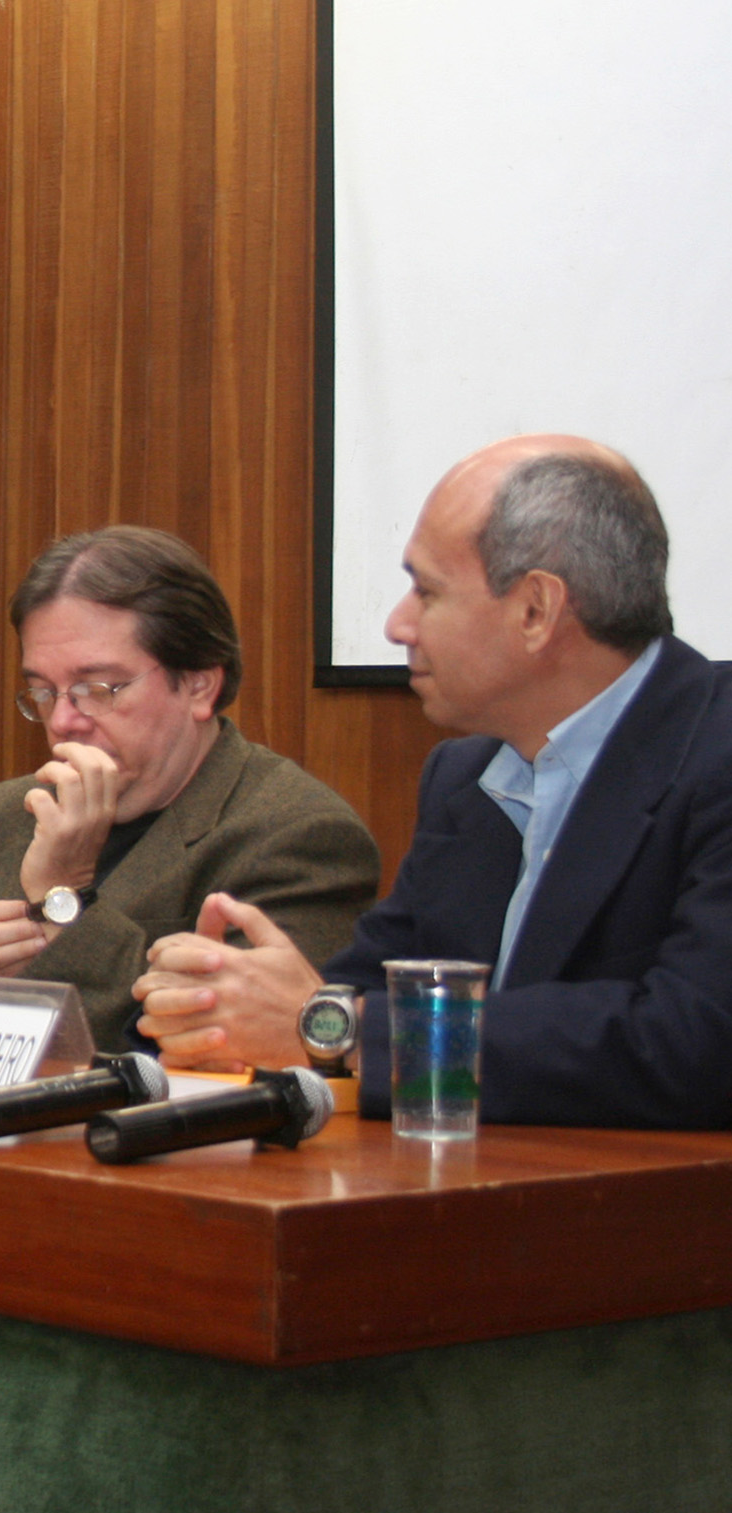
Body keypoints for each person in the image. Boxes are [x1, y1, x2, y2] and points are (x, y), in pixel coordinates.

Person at [135, 436, 732, 1128]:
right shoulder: (465, 776)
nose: (396, 624)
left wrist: (342, 1028)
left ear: (536, 610)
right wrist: (218, 1000)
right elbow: (360, 985)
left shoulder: (713, 751)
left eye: (427, 590)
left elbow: (694, 1041)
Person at [0, 527, 379, 1050]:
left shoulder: (297, 833)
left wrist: (64, 899)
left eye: (97, 689)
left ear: (201, 683)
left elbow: (221, 1045)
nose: (64, 720)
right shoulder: (10, 814)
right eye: (44, 692)